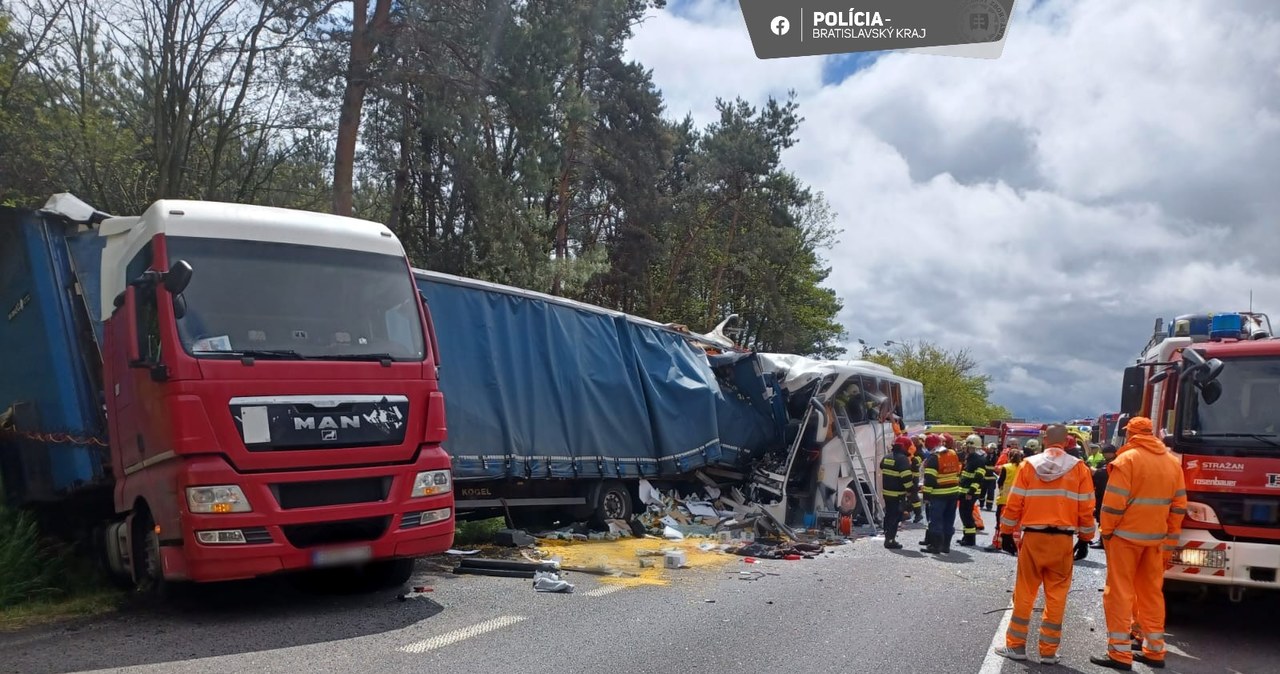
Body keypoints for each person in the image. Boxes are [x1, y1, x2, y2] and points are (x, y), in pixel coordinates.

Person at [994, 424, 1096, 665]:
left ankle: (1016, 646)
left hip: (1033, 538)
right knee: (1057, 596)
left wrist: (1006, 533)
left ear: (1045, 440)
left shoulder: (1028, 465)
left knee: (1025, 592)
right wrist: (1085, 539)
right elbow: (1086, 508)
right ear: (1068, 441)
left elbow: (1014, 502)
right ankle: (1048, 652)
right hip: (1062, 540)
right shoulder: (1079, 468)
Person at [1091, 417, 1187, 671]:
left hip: (1125, 539)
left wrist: (1106, 533)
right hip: (1156, 540)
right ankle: (1154, 650)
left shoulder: (1127, 460)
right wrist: (1170, 540)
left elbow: (1112, 505)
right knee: (1151, 594)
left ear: (1131, 434)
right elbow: (1179, 506)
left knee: (1119, 593)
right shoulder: (1172, 463)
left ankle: (1119, 653)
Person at [921, 433, 962, 554]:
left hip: (939, 494)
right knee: (949, 519)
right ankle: (946, 546)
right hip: (953, 492)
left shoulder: (934, 458)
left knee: (936, 520)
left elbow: (929, 480)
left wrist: (926, 496)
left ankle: (935, 546)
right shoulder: (953, 453)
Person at [985, 448, 1024, 552]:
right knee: (1016, 525)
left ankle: (997, 543)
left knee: (1000, 523)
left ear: (1009, 457)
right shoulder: (1023, 467)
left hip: (1004, 500)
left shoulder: (1006, 467)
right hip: (1019, 501)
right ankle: (1016, 545)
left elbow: (1000, 482)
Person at [880, 436, 915, 549]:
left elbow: (881, 466)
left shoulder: (886, 457)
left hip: (887, 493)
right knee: (895, 517)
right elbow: (906, 478)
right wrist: (910, 491)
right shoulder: (902, 459)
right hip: (897, 494)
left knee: (888, 515)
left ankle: (887, 536)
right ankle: (890, 540)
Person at [957, 434, 988, 546]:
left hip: (969, 493)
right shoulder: (970, 458)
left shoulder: (979, 460)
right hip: (964, 492)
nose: (965, 448)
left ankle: (970, 539)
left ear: (972, 447)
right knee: (964, 515)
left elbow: (978, 478)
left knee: (967, 515)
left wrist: (971, 492)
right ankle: (966, 537)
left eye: (967, 447)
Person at [1090, 444, 1118, 548]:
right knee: (1101, 518)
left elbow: (1101, 473)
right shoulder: (1106, 463)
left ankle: (1102, 541)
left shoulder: (1114, 464)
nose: (1104, 455)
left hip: (1106, 495)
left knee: (1103, 519)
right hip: (1103, 494)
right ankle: (1102, 540)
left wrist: (1092, 470)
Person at [981, 442, 1000, 510]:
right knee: (982, 492)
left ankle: (989, 506)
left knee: (991, 493)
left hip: (992, 478)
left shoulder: (996, 457)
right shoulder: (984, 456)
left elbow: (997, 467)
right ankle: (981, 503)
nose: (992, 450)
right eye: (991, 449)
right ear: (988, 449)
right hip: (984, 477)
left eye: (993, 449)